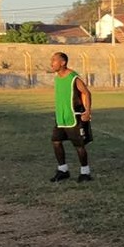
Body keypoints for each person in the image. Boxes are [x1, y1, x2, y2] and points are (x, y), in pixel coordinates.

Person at [49, 52, 93, 183]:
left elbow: (86, 93)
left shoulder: (74, 78)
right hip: (61, 118)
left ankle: (85, 172)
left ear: (63, 63)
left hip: (74, 117)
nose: (51, 63)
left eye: (54, 60)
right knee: (56, 141)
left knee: (79, 145)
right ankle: (63, 170)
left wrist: (87, 111)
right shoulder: (57, 78)